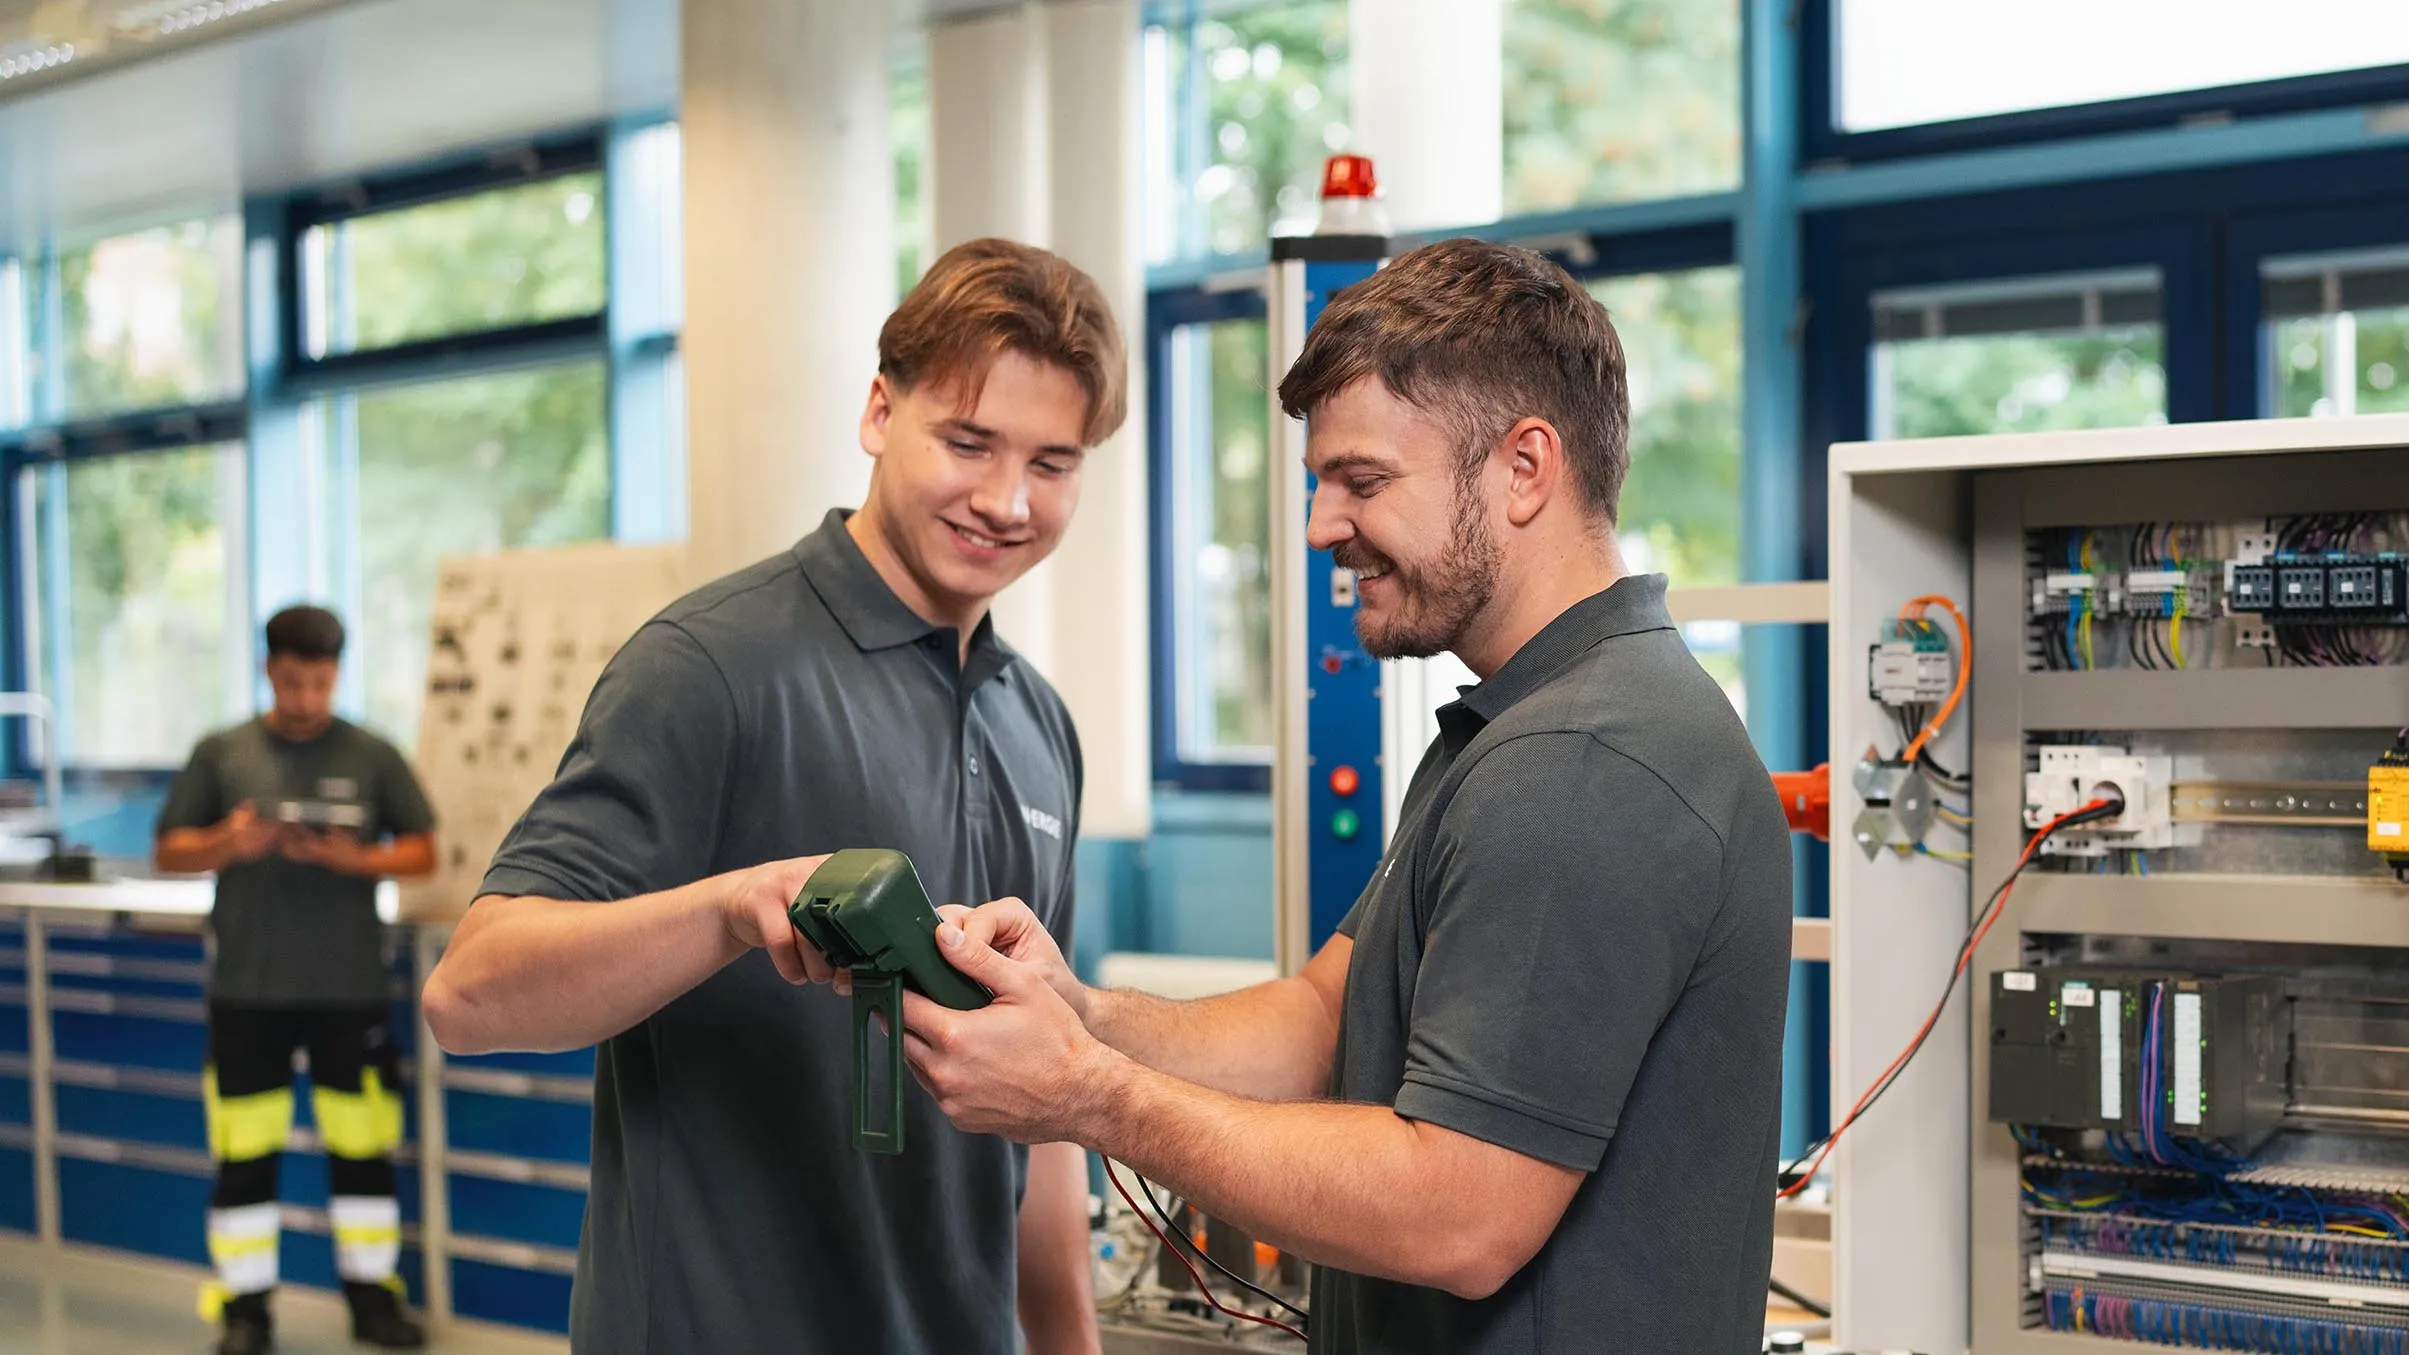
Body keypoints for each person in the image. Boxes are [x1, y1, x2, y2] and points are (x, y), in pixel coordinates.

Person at [898, 239, 1796, 1354]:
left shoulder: (1583, 761)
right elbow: (1327, 1015)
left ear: (1525, 468)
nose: (1323, 525)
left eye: (1363, 481)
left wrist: (1090, 1097)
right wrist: (1079, 1011)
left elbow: (1461, 1213)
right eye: (1322, 482)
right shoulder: (1523, 724)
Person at [419, 237, 1125, 1355]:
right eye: (968, 440)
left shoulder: (1039, 725)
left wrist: (1069, 1343)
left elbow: (1042, 1110)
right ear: (878, 413)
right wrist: (727, 908)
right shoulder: (711, 664)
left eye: (1053, 462)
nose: (1006, 499)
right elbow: (470, 994)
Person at [156, 604, 439, 1355]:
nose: (306, 696)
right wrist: (227, 840)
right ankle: (245, 1312)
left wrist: (360, 861)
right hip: (247, 989)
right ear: (267, 669)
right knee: (244, 1153)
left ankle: (372, 1302)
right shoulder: (222, 752)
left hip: (349, 989)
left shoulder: (374, 753)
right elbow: (170, 850)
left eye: (319, 681)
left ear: (336, 673)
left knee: (363, 1148)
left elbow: (423, 850)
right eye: (291, 680)